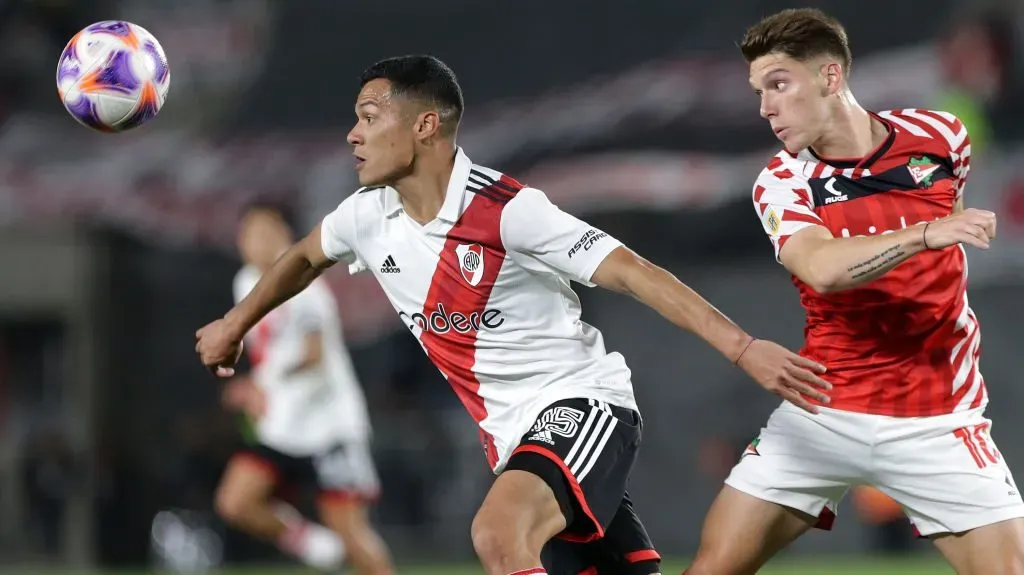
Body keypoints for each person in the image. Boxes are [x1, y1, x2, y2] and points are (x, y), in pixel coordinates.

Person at [195, 55, 830, 575]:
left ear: (424, 126)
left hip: (584, 407)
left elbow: (635, 273)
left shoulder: (507, 209)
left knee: (497, 536)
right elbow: (303, 257)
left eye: (369, 116)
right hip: (513, 440)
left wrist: (745, 349)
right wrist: (235, 324)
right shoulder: (366, 216)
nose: (352, 135)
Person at [684, 8, 1023, 575]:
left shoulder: (942, 136)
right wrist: (922, 233)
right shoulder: (783, 179)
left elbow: (951, 225)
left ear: (830, 77)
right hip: (822, 412)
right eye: (759, 91)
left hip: (937, 416)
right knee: (713, 567)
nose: (766, 107)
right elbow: (820, 268)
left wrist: (937, 236)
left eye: (779, 84)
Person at [213, 204, 394, 575]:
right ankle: (313, 544)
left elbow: (313, 355)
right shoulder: (245, 281)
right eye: (248, 233)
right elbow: (267, 348)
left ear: (286, 236)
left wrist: (257, 384)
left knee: (351, 531)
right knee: (235, 501)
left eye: (266, 231)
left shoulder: (305, 289)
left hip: (329, 426)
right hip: (284, 424)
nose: (256, 241)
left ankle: (342, 551)